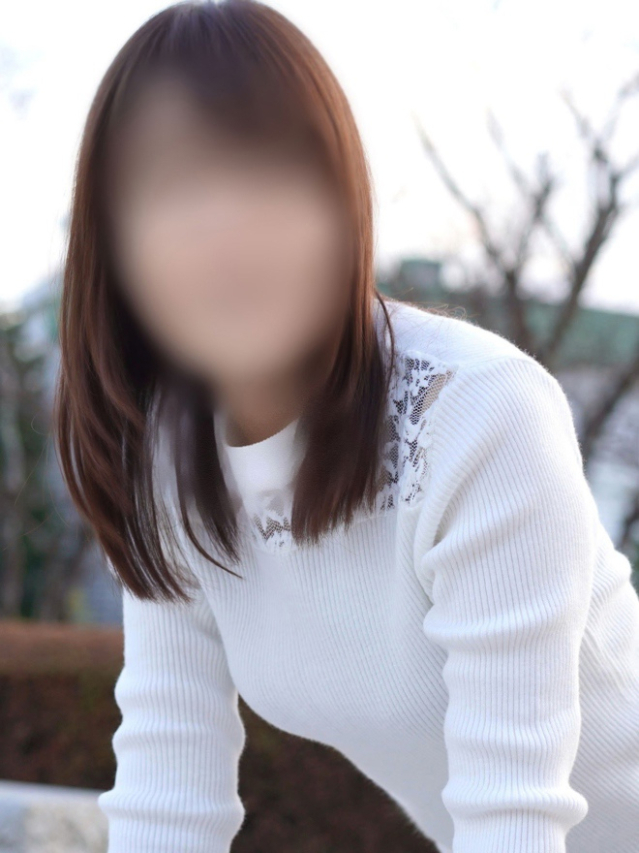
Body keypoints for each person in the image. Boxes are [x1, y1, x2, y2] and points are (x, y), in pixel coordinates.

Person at [52, 2, 639, 852]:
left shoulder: (475, 413)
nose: (224, 231)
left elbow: (509, 817)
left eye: (267, 175)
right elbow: (166, 794)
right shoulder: (165, 464)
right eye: (173, 188)